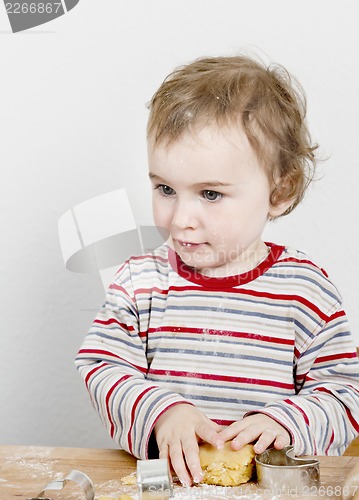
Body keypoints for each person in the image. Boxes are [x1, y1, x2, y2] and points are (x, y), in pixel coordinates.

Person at [75, 55, 359, 486]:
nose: (181, 218)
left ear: (280, 192)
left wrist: (289, 422)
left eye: (210, 194)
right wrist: (161, 410)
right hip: (163, 488)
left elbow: (344, 393)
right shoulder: (140, 282)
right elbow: (101, 365)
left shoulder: (305, 290)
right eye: (166, 189)